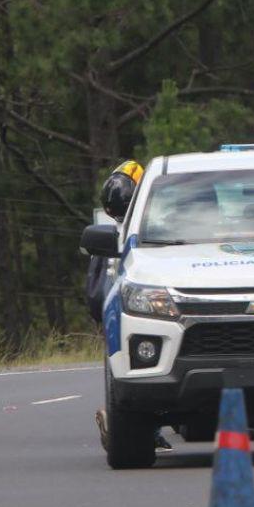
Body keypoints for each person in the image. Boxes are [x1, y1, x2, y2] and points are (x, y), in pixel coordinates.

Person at [87, 159, 173, 451]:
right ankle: (135, 427)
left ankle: (133, 424)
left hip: (113, 309)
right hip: (126, 308)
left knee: (125, 370)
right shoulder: (142, 231)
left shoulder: (114, 233)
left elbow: (95, 289)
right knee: (143, 373)